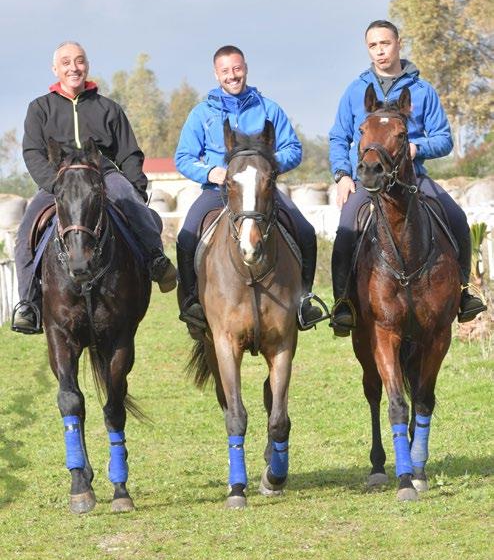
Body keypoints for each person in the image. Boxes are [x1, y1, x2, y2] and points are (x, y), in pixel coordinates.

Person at [329, 19, 486, 336]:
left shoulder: (423, 90)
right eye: (373, 45)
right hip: (370, 180)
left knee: (456, 217)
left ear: (398, 43)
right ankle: (343, 303)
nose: (380, 51)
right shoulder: (356, 90)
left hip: (413, 178)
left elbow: (443, 138)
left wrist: (417, 147)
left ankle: (464, 292)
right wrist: (343, 175)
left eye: (385, 43)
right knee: (346, 228)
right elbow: (338, 138)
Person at [11, 41, 176, 335]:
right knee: (26, 230)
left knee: (133, 204)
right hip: (58, 180)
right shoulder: (39, 109)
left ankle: (156, 260)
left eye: (79, 61)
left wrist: (135, 189)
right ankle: (28, 303)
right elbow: (33, 153)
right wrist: (55, 184)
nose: (73, 68)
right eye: (66, 62)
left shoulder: (108, 108)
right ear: (55, 69)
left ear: (87, 65)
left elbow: (129, 153)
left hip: (102, 175)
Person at [174, 44, 325, 330]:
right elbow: (183, 157)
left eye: (237, 68)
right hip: (217, 192)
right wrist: (210, 172)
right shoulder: (201, 113)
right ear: (216, 74)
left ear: (245, 69)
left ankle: (304, 300)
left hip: (261, 192)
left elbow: (293, 148)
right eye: (225, 71)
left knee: (305, 231)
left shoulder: (269, 109)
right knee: (186, 236)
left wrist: (266, 167)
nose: (232, 75)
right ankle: (193, 302)